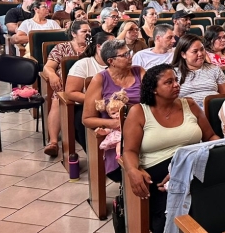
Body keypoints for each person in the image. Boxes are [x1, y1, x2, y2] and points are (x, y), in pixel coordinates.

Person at [122, 64, 218, 233]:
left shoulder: (190, 105)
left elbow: (211, 138)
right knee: (172, 214)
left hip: (192, 167)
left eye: (176, 80)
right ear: (153, 89)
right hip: (156, 174)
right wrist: (133, 171)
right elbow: (130, 150)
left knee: (217, 203)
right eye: (168, 82)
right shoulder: (139, 112)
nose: (176, 85)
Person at [83, 39, 147, 181]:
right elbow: (87, 119)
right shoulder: (100, 79)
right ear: (111, 61)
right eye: (125, 55)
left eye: (129, 52)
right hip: (118, 133)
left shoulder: (139, 71)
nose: (130, 56)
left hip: (144, 126)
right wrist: (115, 124)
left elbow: (153, 99)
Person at [42, 20, 91, 155]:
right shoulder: (62, 48)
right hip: (64, 87)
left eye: (89, 31)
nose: (87, 34)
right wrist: (52, 75)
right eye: (84, 31)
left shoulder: (92, 48)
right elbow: (48, 67)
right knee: (58, 100)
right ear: (74, 34)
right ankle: (53, 143)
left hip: (88, 86)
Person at [172, 34, 225, 109]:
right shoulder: (174, 73)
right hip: (187, 112)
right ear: (183, 55)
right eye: (195, 51)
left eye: (202, 49)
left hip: (215, 110)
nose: (200, 54)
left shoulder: (214, 69)